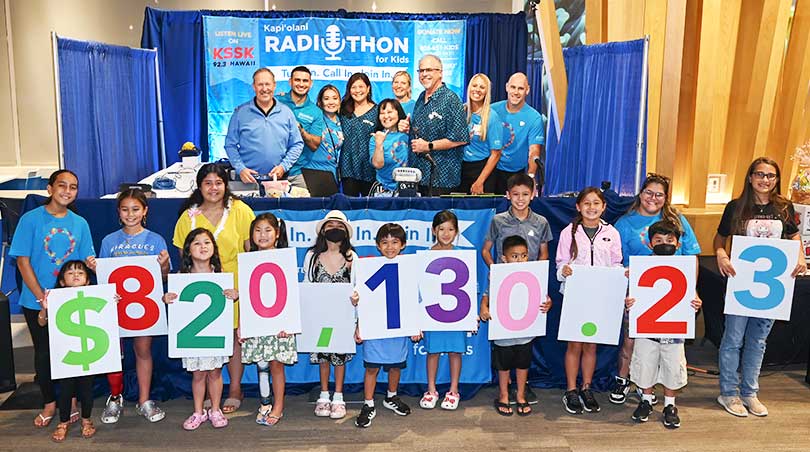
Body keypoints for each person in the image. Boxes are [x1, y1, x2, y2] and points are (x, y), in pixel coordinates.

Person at [714, 157, 806, 417]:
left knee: (758, 340)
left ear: (776, 179)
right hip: (741, 283)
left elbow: (794, 235)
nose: (765, 180)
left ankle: (749, 392)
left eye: (770, 175)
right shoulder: (736, 207)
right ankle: (728, 392)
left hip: (772, 286)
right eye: (760, 174)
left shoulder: (784, 206)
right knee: (733, 339)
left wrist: (799, 255)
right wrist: (721, 254)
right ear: (750, 177)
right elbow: (720, 238)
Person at [9, 169, 95, 429]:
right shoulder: (30, 219)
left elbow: (85, 262)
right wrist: (42, 299)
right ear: (50, 188)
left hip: (71, 302)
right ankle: (49, 402)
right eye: (62, 185)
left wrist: (93, 264)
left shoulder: (80, 223)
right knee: (44, 354)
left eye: (73, 187)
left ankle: (71, 402)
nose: (67, 191)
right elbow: (22, 262)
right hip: (36, 300)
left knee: (71, 353)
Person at [612, 173, 701, 405]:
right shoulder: (624, 223)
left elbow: (692, 256)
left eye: (659, 194)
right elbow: (615, 259)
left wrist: (692, 290)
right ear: (640, 193)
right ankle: (624, 379)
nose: (653, 198)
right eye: (649, 193)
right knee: (631, 340)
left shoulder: (677, 221)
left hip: (674, 292)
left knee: (670, 347)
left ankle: (660, 393)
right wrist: (625, 278)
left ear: (666, 197)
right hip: (639, 293)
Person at [173, 164, 255, 414]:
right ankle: (210, 393)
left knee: (234, 338)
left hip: (234, 283)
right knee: (207, 339)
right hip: (201, 288)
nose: (213, 188)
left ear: (226, 185)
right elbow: (183, 257)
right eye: (208, 183)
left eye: (218, 183)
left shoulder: (240, 210)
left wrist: (245, 288)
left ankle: (235, 389)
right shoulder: (188, 217)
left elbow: (251, 251)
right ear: (199, 186)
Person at [90, 189, 170, 424]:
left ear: (145, 211)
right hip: (115, 305)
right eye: (125, 209)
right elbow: (103, 279)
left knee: (143, 350)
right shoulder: (109, 241)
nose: (130, 214)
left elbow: (164, 278)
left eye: (135, 209)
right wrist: (95, 268)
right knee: (114, 354)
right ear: (118, 212)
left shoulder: (156, 240)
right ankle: (115, 398)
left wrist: (164, 266)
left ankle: (144, 400)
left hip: (145, 307)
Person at [481, 173, 551, 406]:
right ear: (507, 195)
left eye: (525, 194)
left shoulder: (541, 222)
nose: (520, 199)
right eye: (515, 194)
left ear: (533, 195)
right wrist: (498, 272)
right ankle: (505, 389)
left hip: (529, 288)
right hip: (505, 287)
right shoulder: (498, 220)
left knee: (524, 342)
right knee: (504, 343)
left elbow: (543, 254)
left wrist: (539, 283)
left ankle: (521, 388)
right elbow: (486, 250)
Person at [625, 220, 702, 428]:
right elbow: (632, 295)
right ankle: (646, 400)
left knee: (672, 366)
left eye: (669, 240)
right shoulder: (640, 267)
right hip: (647, 329)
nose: (664, 244)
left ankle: (670, 404)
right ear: (649, 244)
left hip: (673, 329)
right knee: (645, 364)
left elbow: (691, 294)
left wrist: (696, 302)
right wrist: (629, 302)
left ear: (678, 244)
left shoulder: (684, 268)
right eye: (658, 240)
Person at [555, 187, 622, 415]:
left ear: (603, 207)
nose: (591, 207)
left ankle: (586, 387)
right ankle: (571, 390)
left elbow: (616, 262)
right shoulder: (569, 232)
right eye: (586, 203)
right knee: (574, 344)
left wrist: (621, 274)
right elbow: (560, 263)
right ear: (578, 207)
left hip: (600, 297)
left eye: (596, 203)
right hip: (575, 296)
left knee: (591, 344)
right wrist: (564, 271)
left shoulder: (612, 233)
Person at [163, 228, 238, 430]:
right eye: (197, 243)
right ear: (188, 250)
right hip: (192, 336)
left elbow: (229, 299)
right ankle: (198, 411)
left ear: (214, 248)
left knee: (215, 373)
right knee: (198, 375)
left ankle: (215, 409)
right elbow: (173, 301)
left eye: (207, 242)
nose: (203, 247)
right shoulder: (181, 277)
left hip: (214, 334)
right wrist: (166, 298)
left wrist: (234, 294)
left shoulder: (220, 276)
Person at [479, 235, 553, 416]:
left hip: (525, 332)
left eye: (523, 255)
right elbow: (487, 295)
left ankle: (520, 395)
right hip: (503, 332)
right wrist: (483, 307)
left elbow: (543, 297)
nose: (520, 260)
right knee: (503, 366)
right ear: (504, 258)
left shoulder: (533, 274)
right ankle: (504, 395)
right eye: (514, 256)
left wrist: (548, 303)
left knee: (523, 364)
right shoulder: (497, 274)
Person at [353, 223, 413, 428]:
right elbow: (364, 297)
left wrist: (415, 326)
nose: (390, 247)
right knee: (372, 367)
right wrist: (359, 325)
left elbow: (413, 299)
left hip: (398, 327)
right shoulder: (369, 267)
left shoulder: (408, 268)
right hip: (375, 327)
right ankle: (368, 403)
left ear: (403, 245)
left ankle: (391, 396)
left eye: (395, 242)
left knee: (396, 365)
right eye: (385, 242)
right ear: (378, 245)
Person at [239, 213, 296, 426]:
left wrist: (289, 323)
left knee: (276, 365)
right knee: (261, 364)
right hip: (257, 321)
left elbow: (290, 294)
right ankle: (265, 403)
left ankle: (278, 406)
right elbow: (247, 295)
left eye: (268, 230)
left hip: (279, 323)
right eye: (257, 230)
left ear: (277, 233)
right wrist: (242, 324)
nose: (262, 235)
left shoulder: (284, 258)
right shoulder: (248, 260)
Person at [303, 210, 358, 419]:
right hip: (321, 318)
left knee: (340, 357)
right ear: (323, 230)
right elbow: (307, 284)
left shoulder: (352, 257)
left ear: (346, 231)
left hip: (342, 318)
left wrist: (356, 299)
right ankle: (324, 394)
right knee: (324, 355)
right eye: (330, 225)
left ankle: (339, 396)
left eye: (339, 226)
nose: (334, 229)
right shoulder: (312, 256)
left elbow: (357, 285)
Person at [41, 260, 98, 442]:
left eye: (80, 273)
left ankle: (86, 420)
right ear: (62, 281)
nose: (75, 276)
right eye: (70, 273)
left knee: (87, 389)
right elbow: (41, 322)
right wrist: (44, 309)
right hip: (66, 353)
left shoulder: (96, 296)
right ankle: (63, 422)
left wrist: (113, 302)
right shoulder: (55, 298)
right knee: (65, 389)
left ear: (87, 281)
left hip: (88, 352)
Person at [418, 210, 466, 410]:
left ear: (456, 232)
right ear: (433, 230)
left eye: (451, 229)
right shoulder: (426, 256)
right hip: (433, 312)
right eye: (441, 229)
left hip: (457, 312)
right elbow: (420, 288)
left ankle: (453, 390)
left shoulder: (463, 255)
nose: (446, 234)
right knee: (433, 352)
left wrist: (470, 314)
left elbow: (470, 287)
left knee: (456, 351)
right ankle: (431, 389)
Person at [401, 55, 469, 196]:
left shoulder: (451, 100)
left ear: (440, 73)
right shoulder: (421, 98)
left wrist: (429, 146)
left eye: (429, 70)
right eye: (421, 71)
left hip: (441, 178)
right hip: (419, 176)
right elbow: (423, 131)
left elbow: (461, 138)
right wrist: (409, 129)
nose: (424, 74)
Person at [224, 67, 304, 184]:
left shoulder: (286, 113)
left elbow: (297, 144)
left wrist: (283, 166)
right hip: (248, 181)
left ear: (274, 86)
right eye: (260, 84)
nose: (264, 89)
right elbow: (230, 145)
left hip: (278, 181)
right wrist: (240, 169)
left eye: (268, 84)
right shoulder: (240, 113)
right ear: (253, 86)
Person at [490, 72, 546, 196]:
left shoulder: (534, 118)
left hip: (516, 174)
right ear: (506, 87)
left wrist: (531, 177)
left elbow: (534, 151)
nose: (516, 92)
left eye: (520, 88)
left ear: (527, 90)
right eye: (513, 87)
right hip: (489, 170)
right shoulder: (491, 110)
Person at [278, 66, 326, 191]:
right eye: (297, 80)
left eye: (305, 81)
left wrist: (301, 130)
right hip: (274, 171)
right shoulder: (276, 101)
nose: (301, 84)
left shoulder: (315, 111)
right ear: (290, 81)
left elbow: (315, 145)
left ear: (311, 83)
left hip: (299, 173)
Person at [460, 73, 503, 194]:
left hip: (482, 170)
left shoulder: (492, 117)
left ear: (486, 92)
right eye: (474, 86)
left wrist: (480, 182)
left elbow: (496, 154)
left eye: (482, 87)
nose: (477, 90)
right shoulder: (461, 111)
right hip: (462, 169)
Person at [300, 84, 344, 197]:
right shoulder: (315, 118)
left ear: (339, 101)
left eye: (335, 98)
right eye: (326, 98)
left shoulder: (342, 121)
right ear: (320, 102)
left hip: (332, 173)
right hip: (313, 171)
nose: (331, 102)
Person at [339, 73, 378, 196]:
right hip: (347, 167)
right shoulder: (342, 109)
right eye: (353, 87)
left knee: (369, 205)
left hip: (369, 168)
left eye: (361, 86)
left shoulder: (378, 111)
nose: (357, 90)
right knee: (349, 203)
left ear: (368, 88)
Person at [370, 99, 409, 195]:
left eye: (390, 112)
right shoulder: (375, 138)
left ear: (398, 113)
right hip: (384, 191)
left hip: (408, 189)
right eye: (382, 113)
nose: (386, 116)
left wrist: (410, 131)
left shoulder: (408, 134)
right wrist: (379, 144)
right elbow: (377, 165)